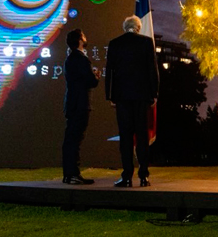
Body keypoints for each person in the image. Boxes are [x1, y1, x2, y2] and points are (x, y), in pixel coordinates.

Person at [105, 15, 159, 187]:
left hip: (122, 97)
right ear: (138, 27)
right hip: (142, 96)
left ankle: (127, 176)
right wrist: (154, 93)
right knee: (142, 136)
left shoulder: (115, 43)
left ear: (124, 27)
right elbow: (153, 69)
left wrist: (110, 95)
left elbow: (110, 72)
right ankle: (144, 176)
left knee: (125, 137)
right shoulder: (146, 42)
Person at [62, 28, 100, 185]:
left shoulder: (69, 59)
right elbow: (91, 81)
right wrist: (96, 75)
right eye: (83, 36)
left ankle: (68, 174)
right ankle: (73, 174)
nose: (86, 38)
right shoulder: (82, 59)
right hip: (81, 104)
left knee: (70, 139)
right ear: (79, 40)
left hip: (72, 103)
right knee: (75, 140)